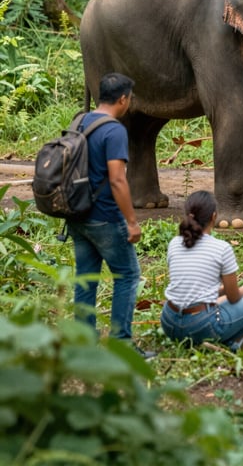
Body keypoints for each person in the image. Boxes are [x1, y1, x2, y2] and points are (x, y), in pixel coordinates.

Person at [67, 72, 151, 356]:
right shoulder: (114, 130)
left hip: (77, 214)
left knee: (86, 278)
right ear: (124, 99)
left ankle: (83, 345)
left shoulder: (79, 121)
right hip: (105, 217)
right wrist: (131, 220)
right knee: (127, 275)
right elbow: (117, 179)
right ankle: (121, 344)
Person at [160, 190, 243, 349]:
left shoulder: (174, 243)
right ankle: (231, 343)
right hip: (200, 324)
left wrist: (220, 292)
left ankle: (223, 342)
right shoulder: (222, 248)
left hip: (169, 322)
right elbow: (234, 297)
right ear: (214, 216)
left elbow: (191, 285)